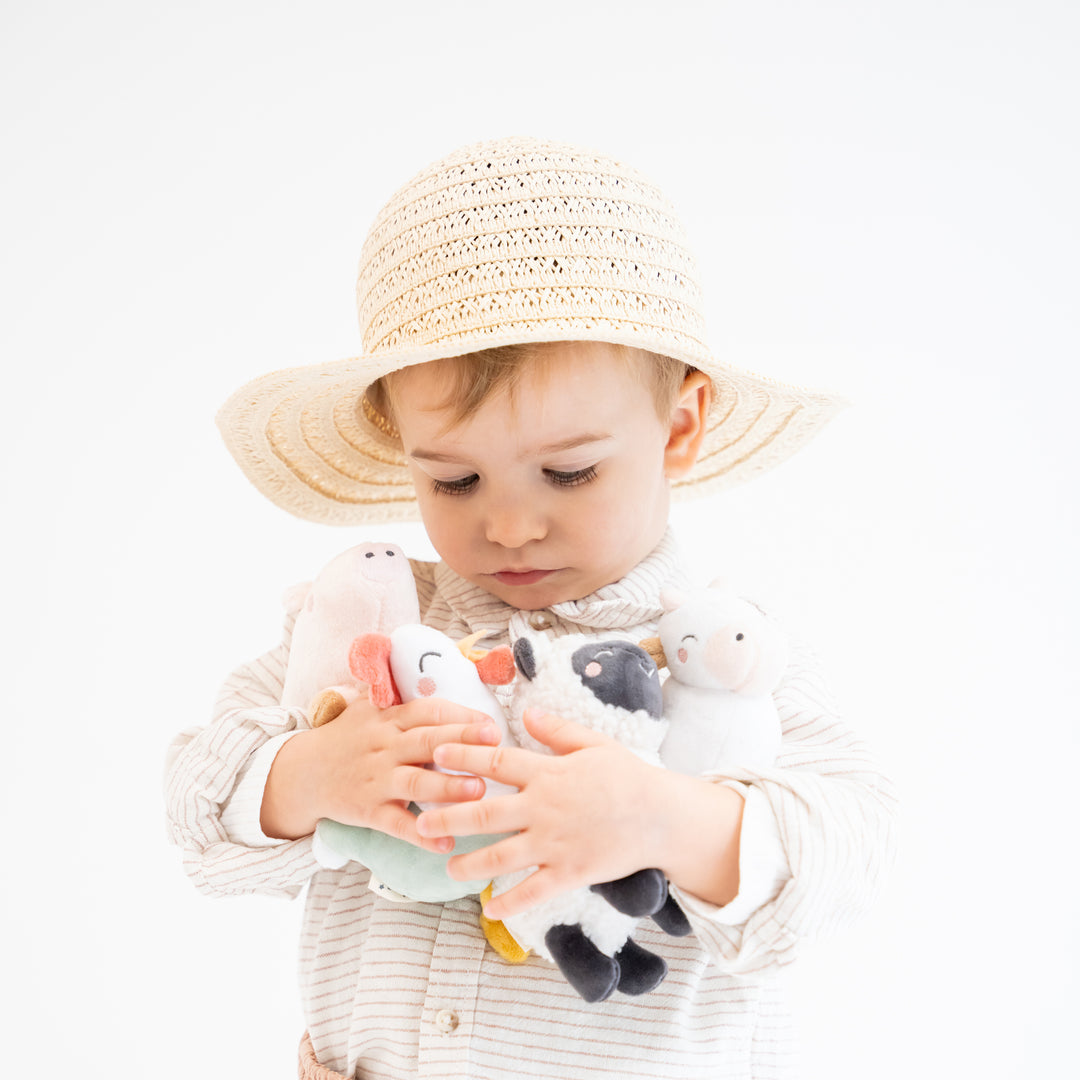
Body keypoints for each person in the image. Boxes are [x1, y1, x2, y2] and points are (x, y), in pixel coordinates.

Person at [165, 136, 897, 1079]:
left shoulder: (725, 658)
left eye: (569, 472)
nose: (510, 526)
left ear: (678, 428)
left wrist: (668, 821)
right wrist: (310, 777)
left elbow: (849, 853)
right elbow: (197, 817)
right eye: (456, 478)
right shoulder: (367, 627)